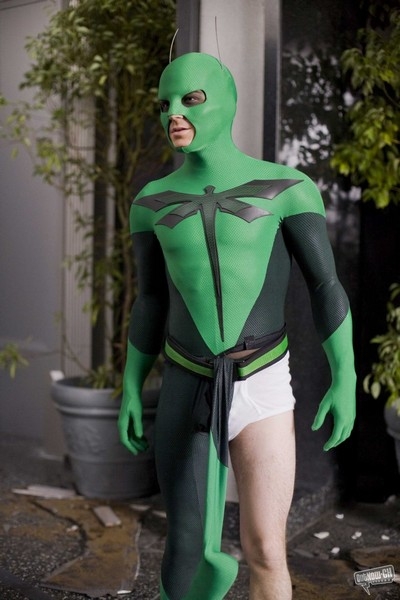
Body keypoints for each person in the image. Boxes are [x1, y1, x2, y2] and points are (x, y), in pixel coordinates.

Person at [118, 52, 356, 600]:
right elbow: (149, 300)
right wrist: (131, 385)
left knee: (266, 549)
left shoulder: (287, 187)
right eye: (164, 104)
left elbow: (326, 285)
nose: (174, 113)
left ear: (227, 101)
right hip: (185, 381)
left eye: (191, 99)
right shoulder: (150, 203)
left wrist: (345, 376)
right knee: (186, 549)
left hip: (262, 381)